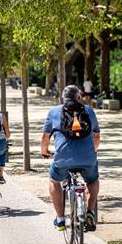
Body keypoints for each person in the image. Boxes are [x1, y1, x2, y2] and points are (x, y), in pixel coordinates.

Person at [40, 85, 100, 231]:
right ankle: (90, 211)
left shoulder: (54, 111)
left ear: (62, 98)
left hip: (62, 159)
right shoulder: (89, 110)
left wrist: (45, 151)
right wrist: (94, 151)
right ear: (79, 97)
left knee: (54, 180)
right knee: (92, 180)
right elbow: (96, 135)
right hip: (88, 158)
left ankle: (60, 219)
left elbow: (45, 136)